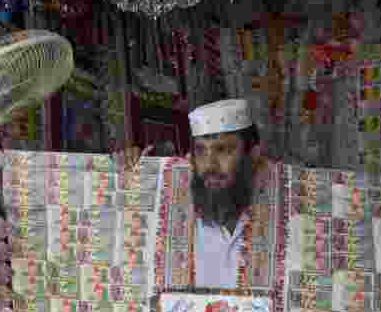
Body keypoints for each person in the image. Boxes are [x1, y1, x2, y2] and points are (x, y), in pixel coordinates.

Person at [115, 98, 268, 289]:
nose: (209, 165)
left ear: (253, 155)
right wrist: (128, 171)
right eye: (200, 151)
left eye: (223, 150)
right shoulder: (169, 213)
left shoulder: (276, 217)